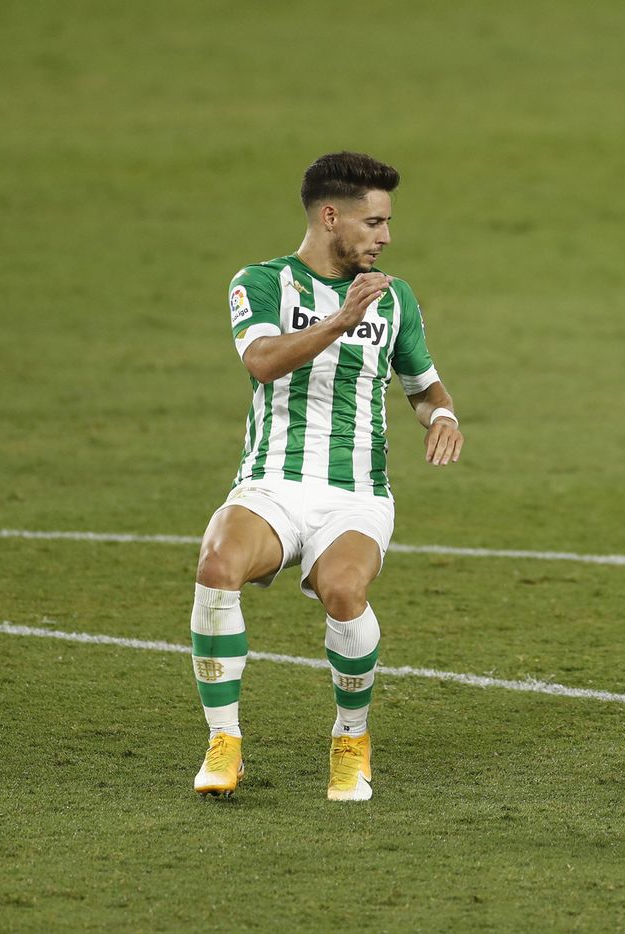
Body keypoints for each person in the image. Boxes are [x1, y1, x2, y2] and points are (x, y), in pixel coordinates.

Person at [190, 152, 464, 802]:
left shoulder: (393, 298)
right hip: (272, 482)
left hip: (355, 492)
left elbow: (422, 385)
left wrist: (443, 416)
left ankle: (351, 738)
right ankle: (223, 741)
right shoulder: (260, 283)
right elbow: (260, 362)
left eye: (388, 223)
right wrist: (339, 321)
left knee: (344, 589)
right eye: (373, 223)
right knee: (217, 561)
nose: (385, 237)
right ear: (331, 216)